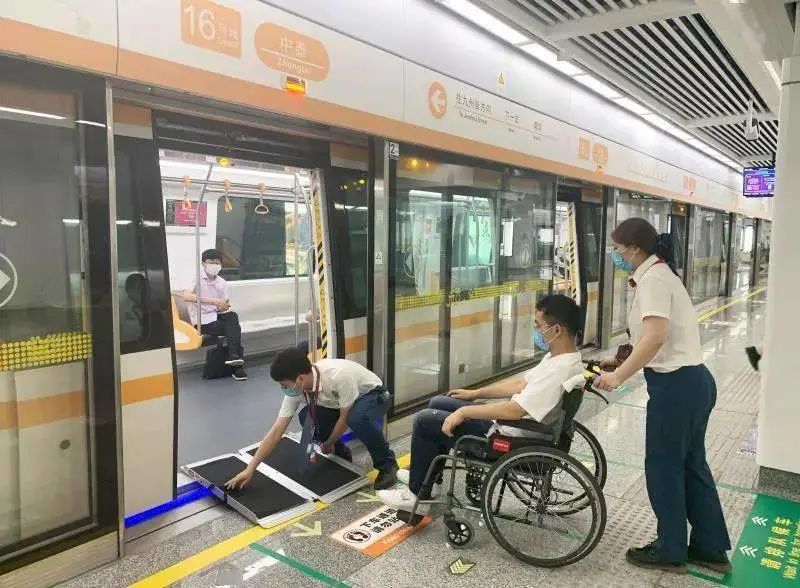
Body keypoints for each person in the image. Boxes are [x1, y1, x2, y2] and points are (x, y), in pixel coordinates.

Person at [594, 217, 731, 575]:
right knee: (691, 465)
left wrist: (618, 377)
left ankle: (670, 550)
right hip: (694, 382)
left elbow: (656, 338)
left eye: (617, 249)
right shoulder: (659, 274)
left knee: (663, 468)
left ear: (635, 249)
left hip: (676, 388)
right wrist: (620, 358)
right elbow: (651, 337)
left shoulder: (654, 279)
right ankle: (710, 548)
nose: (615, 255)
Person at [376, 294, 584, 513]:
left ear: (556, 330)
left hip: (509, 440)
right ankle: (429, 478)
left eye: (538, 325)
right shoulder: (559, 358)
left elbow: (515, 410)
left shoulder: (559, 370)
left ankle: (416, 496)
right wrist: (474, 394)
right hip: (515, 429)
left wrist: (465, 412)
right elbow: (520, 384)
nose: (536, 331)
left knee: (424, 421)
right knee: (439, 402)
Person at [225, 348, 399, 491]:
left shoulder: (338, 376)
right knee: (306, 416)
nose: (283, 389)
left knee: (356, 418)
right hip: (339, 404)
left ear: (299, 378)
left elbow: (345, 418)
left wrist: (329, 442)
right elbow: (277, 431)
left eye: (284, 385)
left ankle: (388, 466)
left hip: (373, 396)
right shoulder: (296, 389)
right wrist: (250, 468)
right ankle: (341, 452)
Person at [183, 248, 247, 381]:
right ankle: (236, 365)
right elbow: (186, 296)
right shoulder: (196, 277)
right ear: (203, 263)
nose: (215, 265)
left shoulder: (221, 282)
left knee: (232, 317)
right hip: (201, 321)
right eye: (211, 261)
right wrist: (214, 301)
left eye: (217, 262)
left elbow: (223, 305)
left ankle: (234, 357)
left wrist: (223, 305)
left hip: (216, 316)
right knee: (234, 329)